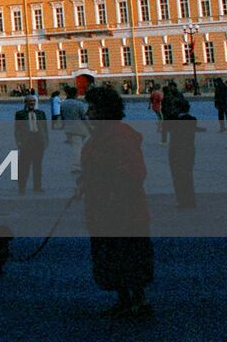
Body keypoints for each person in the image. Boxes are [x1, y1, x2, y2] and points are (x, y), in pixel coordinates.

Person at [80, 85, 153, 319]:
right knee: (110, 259)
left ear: (104, 111)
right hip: (102, 211)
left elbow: (134, 173)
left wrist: (113, 196)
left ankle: (138, 301)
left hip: (123, 213)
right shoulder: (99, 137)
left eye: (92, 109)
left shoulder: (120, 136)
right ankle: (124, 299)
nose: (88, 113)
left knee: (129, 256)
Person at [165, 96, 199, 209]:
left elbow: (167, 126)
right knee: (188, 177)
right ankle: (190, 200)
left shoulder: (174, 120)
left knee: (178, 177)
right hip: (189, 151)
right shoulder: (192, 119)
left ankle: (182, 200)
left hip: (176, 152)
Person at [13, 94, 49, 194]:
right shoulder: (20, 114)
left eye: (33, 101)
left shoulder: (41, 113)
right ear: (25, 103)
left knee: (37, 165)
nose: (32, 103)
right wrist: (18, 142)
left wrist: (46, 141)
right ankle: (22, 187)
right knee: (24, 165)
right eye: (29, 101)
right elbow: (17, 129)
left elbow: (45, 128)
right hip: (26, 141)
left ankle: (37, 186)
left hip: (38, 140)